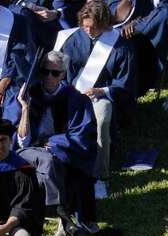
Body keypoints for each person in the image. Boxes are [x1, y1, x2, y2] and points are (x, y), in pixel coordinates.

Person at [6, 51, 99, 236]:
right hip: (29, 151)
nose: (49, 77)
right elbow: (20, 140)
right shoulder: (27, 95)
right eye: (45, 71)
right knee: (47, 160)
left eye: (55, 73)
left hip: (62, 151)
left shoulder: (76, 100)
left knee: (54, 162)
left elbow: (82, 136)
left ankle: (60, 216)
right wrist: (24, 108)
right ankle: (63, 218)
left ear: (63, 75)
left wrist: (54, 144)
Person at [54, 0, 135, 199]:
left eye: (92, 27)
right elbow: (62, 72)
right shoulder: (74, 39)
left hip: (104, 96)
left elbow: (125, 83)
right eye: (85, 26)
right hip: (73, 93)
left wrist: (103, 91)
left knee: (102, 119)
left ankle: (100, 176)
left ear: (104, 24)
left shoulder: (120, 46)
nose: (88, 30)